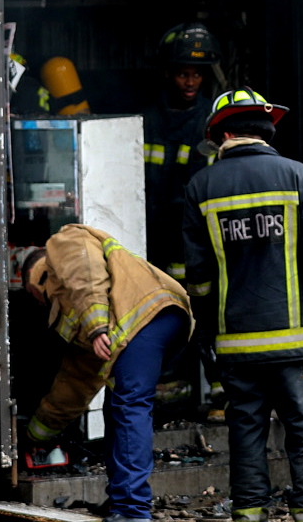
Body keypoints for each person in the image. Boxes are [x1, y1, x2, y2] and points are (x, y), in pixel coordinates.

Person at [182, 88, 303, 522]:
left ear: (223, 134)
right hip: (298, 345)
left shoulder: (201, 187)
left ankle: (249, 514)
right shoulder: (299, 176)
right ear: (265, 130)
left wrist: (205, 337)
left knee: (246, 434)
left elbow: (198, 280)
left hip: (236, 345)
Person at [16, 224, 193, 522]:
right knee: (116, 407)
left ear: (32, 280)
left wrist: (97, 324)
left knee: (128, 406)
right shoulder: (72, 312)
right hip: (156, 322)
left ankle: (132, 510)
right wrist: (35, 432)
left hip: (147, 316)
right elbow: (76, 384)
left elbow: (85, 269)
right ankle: (120, 502)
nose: (36, 302)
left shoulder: (62, 243)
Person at [144, 22, 220, 283]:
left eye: (197, 75)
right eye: (183, 74)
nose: (190, 82)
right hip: (151, 229)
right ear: (167, 73)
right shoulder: (148, 120)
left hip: (192, 231)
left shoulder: (210, 120)